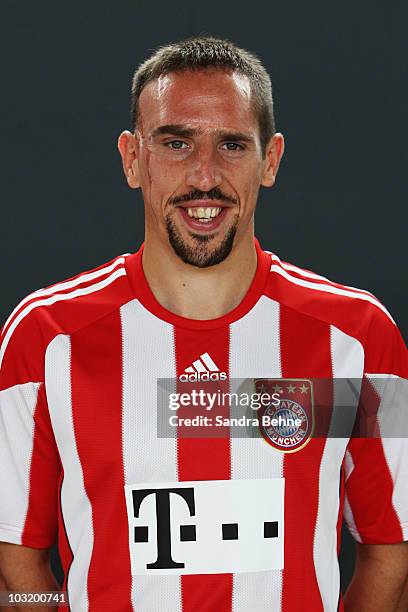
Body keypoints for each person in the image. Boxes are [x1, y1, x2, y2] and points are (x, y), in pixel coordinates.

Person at [0, 36, 407, 612]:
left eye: (233, 144)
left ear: (270, 160)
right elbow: (16, 569)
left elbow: (391, 552)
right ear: (132, 159)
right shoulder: (45, 339)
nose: (205, 175)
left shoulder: (358, 339)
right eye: (176, 142)